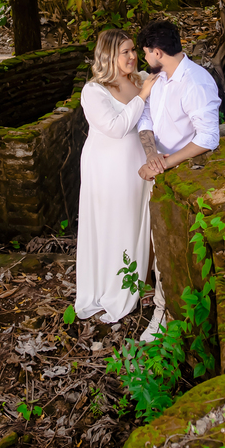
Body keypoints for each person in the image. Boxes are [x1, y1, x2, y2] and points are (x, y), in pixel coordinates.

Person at [135, 19, 221, 341]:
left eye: (146, 53)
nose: (145, 59)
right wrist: (151, 155)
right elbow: (145, 116)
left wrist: (164, 163)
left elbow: (209, 138)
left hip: (184, 177)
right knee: (157, 243)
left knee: (173, 248)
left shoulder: (195, 83)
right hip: (158, 168)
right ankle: (159, 305)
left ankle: (164, 314)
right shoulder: (158, 77)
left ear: (158, 51)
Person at [74, 30, 159, 324]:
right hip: (108, 169)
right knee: (116, 223)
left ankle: (144, 282)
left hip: (139, 164)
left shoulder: (138, 79)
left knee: (142, 221)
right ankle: (115, 285)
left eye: (134, 50)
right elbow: (116, 127)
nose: (133, 56)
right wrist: (143, 96)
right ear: (109, 55)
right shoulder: (93, 91)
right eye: (126, 52)